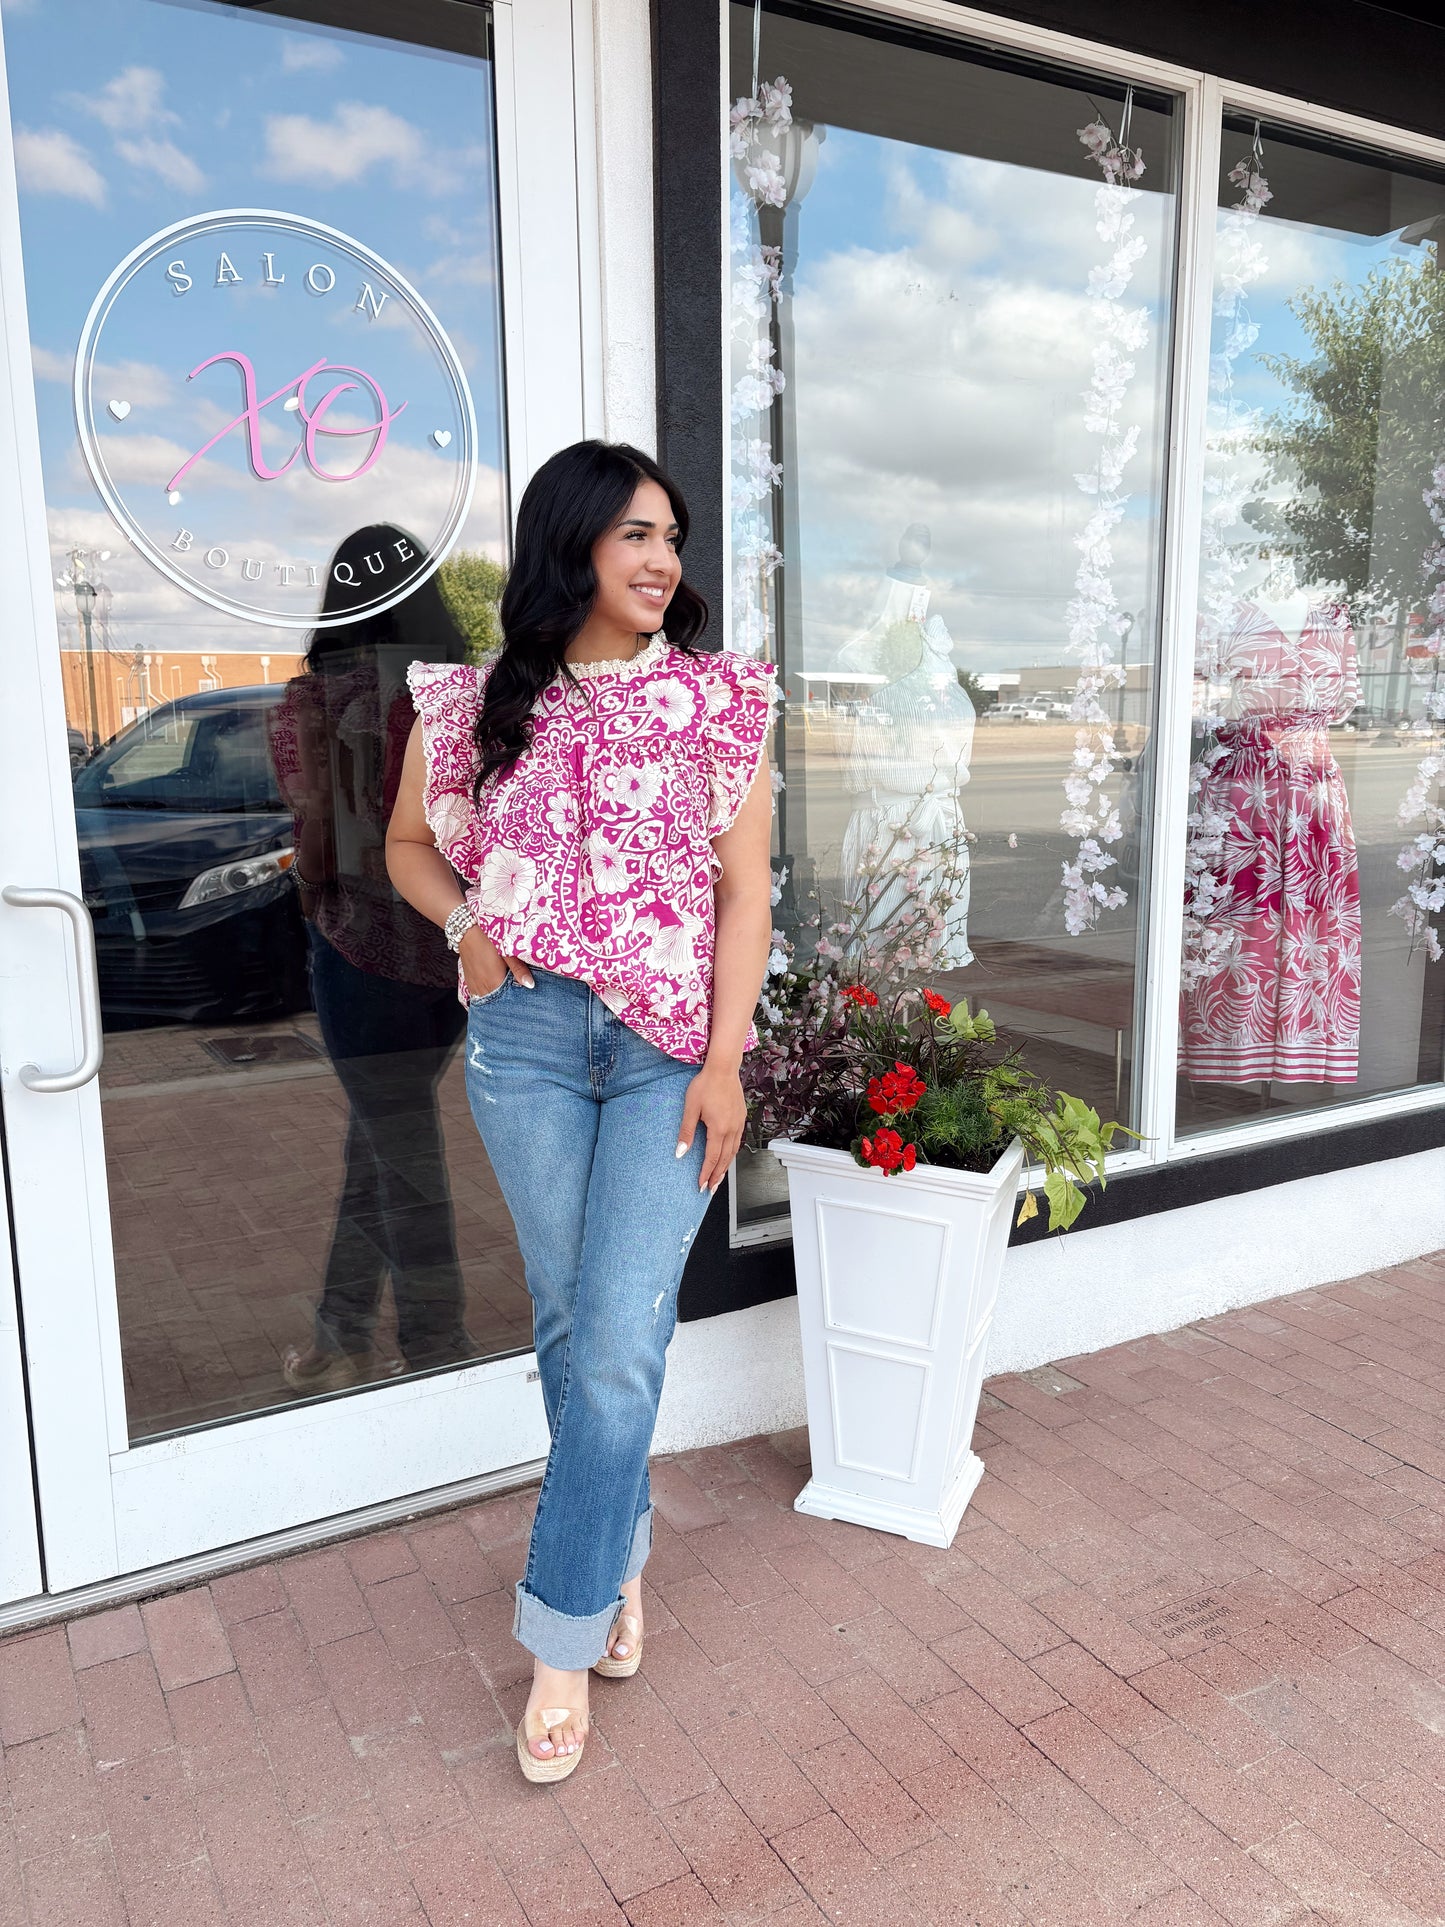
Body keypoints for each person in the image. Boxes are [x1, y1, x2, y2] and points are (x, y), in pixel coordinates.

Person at [385, 441, 775, 1783]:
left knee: (616, 1336)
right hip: (530, 1044)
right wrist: (472, 924)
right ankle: (616, 1558)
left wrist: (726, 1062)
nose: (662, 558)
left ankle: (559, 1636)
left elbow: (744, 900)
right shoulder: (477, 700)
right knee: (567, 1321)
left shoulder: (717, 704)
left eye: (670, 535)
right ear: (572, 547)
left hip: (668, 1053)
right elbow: (406, 849)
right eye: (632, 535)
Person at [269, 525, 475, 1394]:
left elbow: (319, 852)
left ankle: (439, 1350)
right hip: (454, 951)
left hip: (361, 957)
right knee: (382, 1142)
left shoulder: (312, 701)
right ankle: (341, 1327)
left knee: (403, 1153)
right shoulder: (458, 694)